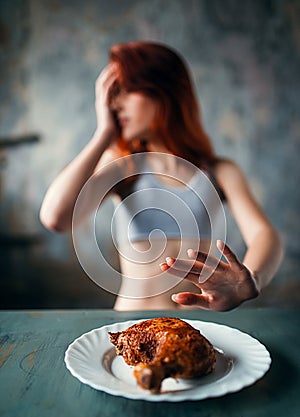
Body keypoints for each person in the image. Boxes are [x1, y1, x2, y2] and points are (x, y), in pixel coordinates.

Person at [40, 41, 283, 311]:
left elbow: (264, 234)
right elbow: (56, 217)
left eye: (126, 90)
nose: (115, 104)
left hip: (199, 329)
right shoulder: (124, 168)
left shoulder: (220, 172)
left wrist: (250, 280)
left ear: (164, 91)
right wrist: (103, 135)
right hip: (132, 327)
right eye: (112, 94)